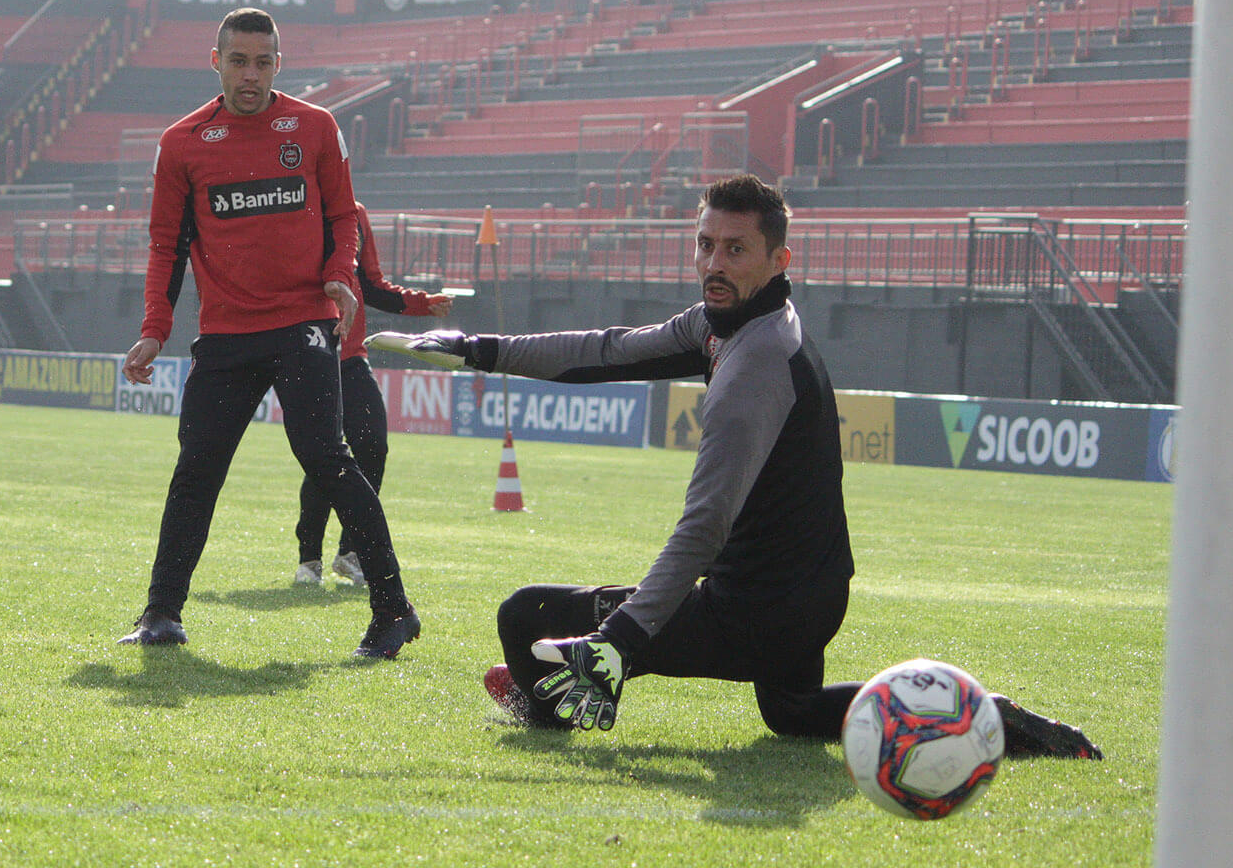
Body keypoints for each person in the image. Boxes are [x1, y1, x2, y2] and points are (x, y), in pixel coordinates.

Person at [397, 174, 1101, 757]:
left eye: (736, 250)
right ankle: (983, 715)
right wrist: (478, 349)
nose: (714, 263)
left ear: (778, 261)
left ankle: (544, 707)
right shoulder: (728, 322)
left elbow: (703, 527)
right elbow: (606, 351)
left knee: (526, 614)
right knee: (792, 713)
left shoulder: (754, 367)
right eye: (706, 245)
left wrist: (618, 643)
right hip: (813, 594)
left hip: (756, 611)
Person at [118, 7, 420, 659]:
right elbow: (166, 246)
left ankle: (395, 610)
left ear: (278, 63)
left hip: (302, 327)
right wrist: (153, 330)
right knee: (195, 469)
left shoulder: (314, 127)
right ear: (216, 61)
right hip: (225, 338)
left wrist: (341, 275)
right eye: (238, 60)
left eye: (263, 61)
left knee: (326, 457)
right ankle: (161, 614)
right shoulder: (182, 143)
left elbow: (345, 218)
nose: (250, 74)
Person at [294, 201, 452, 587]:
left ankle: (350, 552)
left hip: (349, 354)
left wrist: (421, 304)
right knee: (323, 453)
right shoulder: (294, 204)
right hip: (306, 350)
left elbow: (370, 284)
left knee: (372, 444)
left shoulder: (355, 213)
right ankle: (308, 558)